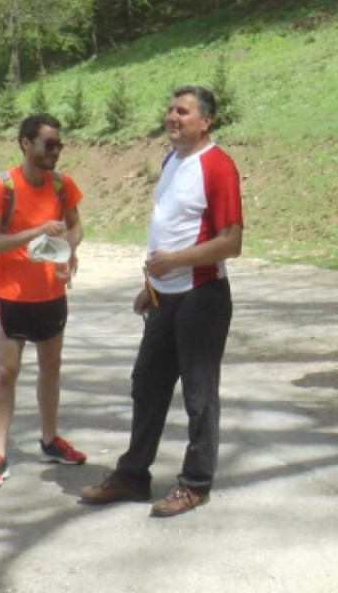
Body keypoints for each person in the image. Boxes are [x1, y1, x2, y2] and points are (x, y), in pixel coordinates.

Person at [80, 86, 243, 518]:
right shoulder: (171, 160)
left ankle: (195, 483)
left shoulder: (218, 166)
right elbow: (170, 229)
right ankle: (133, 476)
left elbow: (232, 242)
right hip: (164, 298)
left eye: (182, 112)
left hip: (202, 297)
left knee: (199, 395)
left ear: (205, 121)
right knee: (147, 386)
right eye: (170, 109)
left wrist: (175, 261)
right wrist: (152, 287)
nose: (172, 117)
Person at [0, 114, 86, 491]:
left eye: (59, 145)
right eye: (48, 145)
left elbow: (76, 227)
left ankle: (50, 439)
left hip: (52, 294)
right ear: (26, 144)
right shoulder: (1, 187)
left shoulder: (61, 185)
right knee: (8, 372)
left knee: (50, 368)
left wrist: (68, 254)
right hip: (12, 294)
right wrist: (36, 231)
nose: (55, 152)